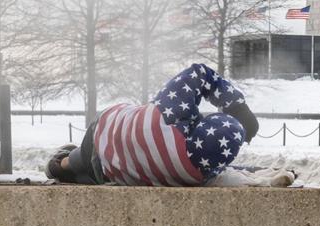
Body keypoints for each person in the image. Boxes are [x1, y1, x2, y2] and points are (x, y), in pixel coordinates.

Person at [46, 63, 264, 186]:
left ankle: (60, 164)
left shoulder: (173, 114)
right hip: (110, 171)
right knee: (86, 170)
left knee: (76, 160)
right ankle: (68, 167)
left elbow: (199, 73)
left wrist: (237, 107)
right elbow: (221, 169)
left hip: (104, 130)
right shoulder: (194, 175)